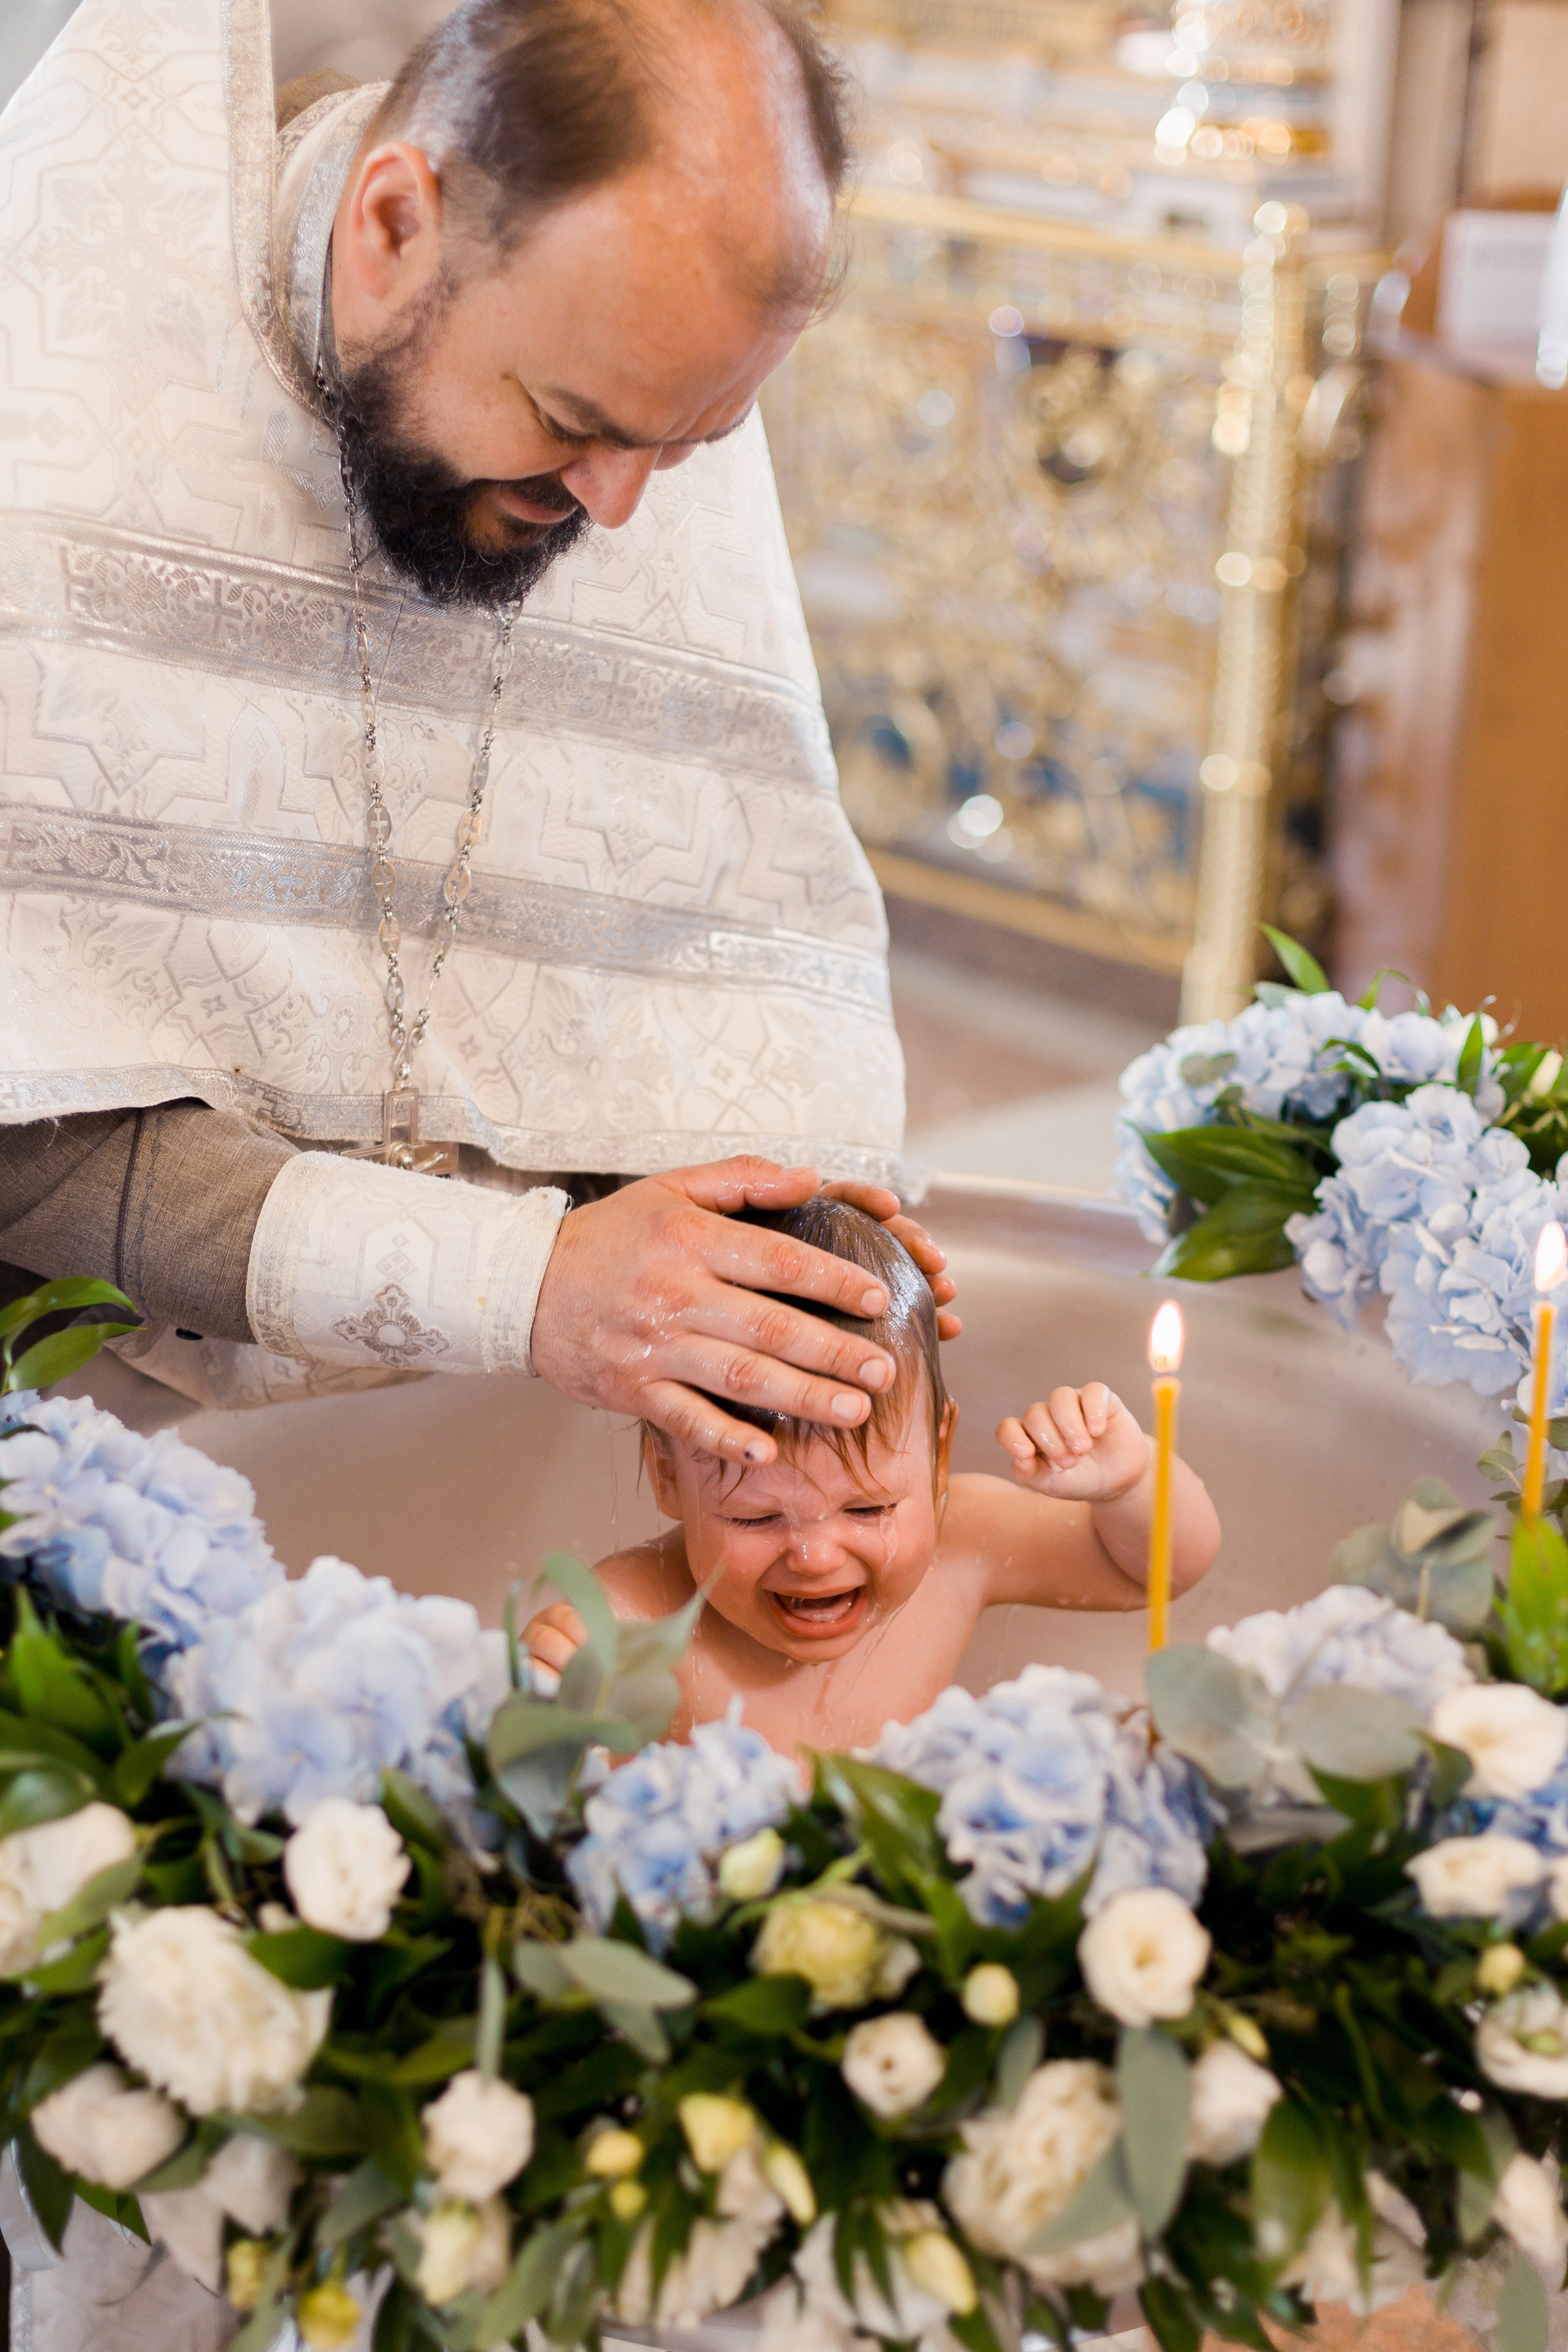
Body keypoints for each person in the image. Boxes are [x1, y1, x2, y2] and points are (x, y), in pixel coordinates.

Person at [0, 0, 955, 1451]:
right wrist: (517, 1280)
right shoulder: (40, 423)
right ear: (393, 225)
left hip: (478, 1443)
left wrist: (793, 1250)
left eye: (684, 443)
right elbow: (26, 1132)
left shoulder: (620, 418)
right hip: (85, 1425)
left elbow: (686, 1010)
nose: (620, 508)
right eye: (572, 416)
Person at [526, 1198, 1220, 1752]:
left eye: (870, 1509)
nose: (817, 1555)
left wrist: (1131, 1484)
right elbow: (562, 1681)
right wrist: (554, 1675)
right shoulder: (647, 1613)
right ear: (668, 1477)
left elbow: (1154, 1572)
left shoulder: (962, 1540)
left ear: (941, 1455)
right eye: (757, 1518)